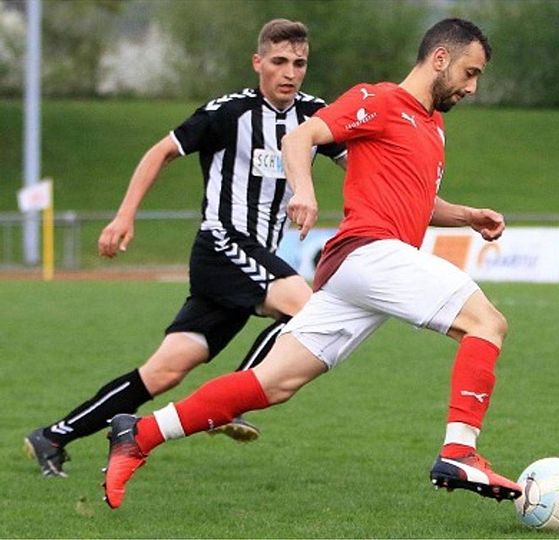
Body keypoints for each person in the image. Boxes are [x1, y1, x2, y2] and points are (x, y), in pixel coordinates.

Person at [102, 18, 522, 510]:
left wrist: (468, 216)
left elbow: (420, 204)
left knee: (272, 383)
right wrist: (303, 189)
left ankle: (139, 434)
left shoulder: (433, 127)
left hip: (361, 273)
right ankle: (460, 451)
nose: (472, 88)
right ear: (441, 59)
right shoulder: (378, 99)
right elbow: (299, 138)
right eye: (470, 73)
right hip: (370, 253)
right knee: (486, 323)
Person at [23, 19, 346, 478]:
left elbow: (362, 162)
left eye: (299, 63)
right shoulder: (228, 112)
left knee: (163, 372)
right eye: (279, 62)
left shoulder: (315, 117)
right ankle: (234, 401)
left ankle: (53, 436)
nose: (290, 72)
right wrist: (124, 215)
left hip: (247, 265)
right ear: (258, 63)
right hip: (223, 244)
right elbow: (161, 151)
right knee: (307, 309)